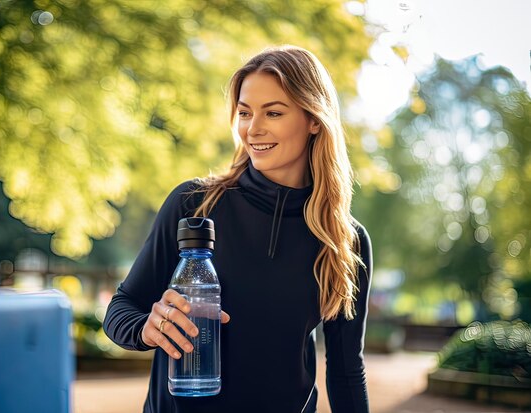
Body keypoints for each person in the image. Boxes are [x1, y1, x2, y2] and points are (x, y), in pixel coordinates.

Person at [104, 45, 372, 413]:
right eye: (245, 113)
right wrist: (146, 327)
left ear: (314, 119)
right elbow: (122, 308)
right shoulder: (194, 204)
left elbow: (345, 371)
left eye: (273, 113)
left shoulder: (345, 241)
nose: (253, 128)